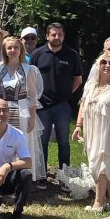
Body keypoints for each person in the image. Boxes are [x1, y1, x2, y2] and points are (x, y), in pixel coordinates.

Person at [73, 51, 110, 212]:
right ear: (97, 65)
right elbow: (83, 105)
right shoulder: (90, 85)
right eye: (103, 62)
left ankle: (98, 203)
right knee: (101, 165)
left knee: (102, 165)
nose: (107, 65)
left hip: (109, 130)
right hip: (92, 130)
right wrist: (78, 125)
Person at [30, 22, 83, 184]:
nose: (57, 37)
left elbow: (78, 79)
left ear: (64, 36)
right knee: (42, 142)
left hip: (62, 106)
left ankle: (64, 177)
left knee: (64, 142)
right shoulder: (37, 54)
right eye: (53, 34)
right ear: (47, 36)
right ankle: (42, 177)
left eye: (60, 34)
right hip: (42, 106)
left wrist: (67, 94)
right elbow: (30, 79)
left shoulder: (72, 55)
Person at [0, 36, 45, 186]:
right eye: (9, 48)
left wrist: (32, 117)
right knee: (4, 141)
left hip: (22, 111)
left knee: (22, 143)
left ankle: (23, 179)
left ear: (21, 50)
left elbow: (33, 95)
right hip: (3, 111)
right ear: (4, 50)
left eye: (16, 47)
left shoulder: (29, 69)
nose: (13, 50)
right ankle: (4, 177)